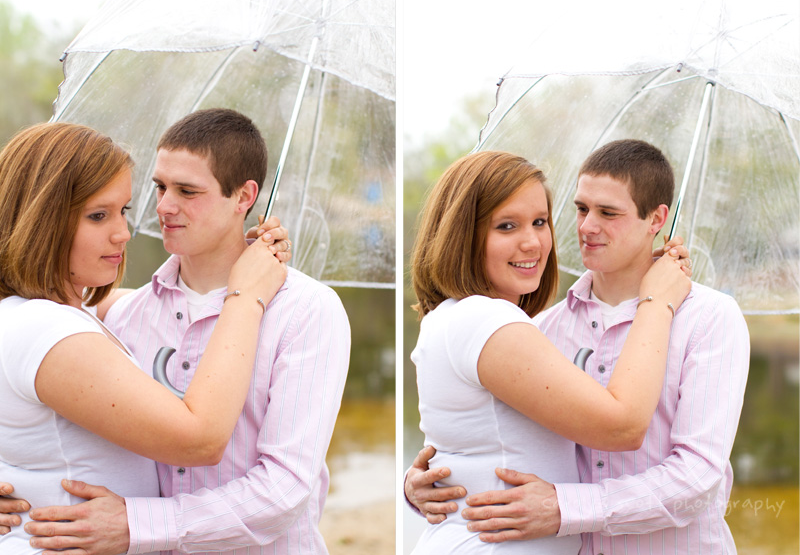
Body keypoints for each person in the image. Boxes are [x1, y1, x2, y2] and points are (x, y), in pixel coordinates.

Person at [1, 109, 351, 554]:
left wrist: (139, 524)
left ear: (244, 196)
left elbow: (284, 488)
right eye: (160, 187)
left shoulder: (304, 310)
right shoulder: (126, 317)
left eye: (187, 191)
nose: (164, 207)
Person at [406, 140, 750, 554]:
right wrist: (420, 486)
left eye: (608, 213)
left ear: (656, 218)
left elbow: (697, 477)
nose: (587, 226)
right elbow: (480, 437)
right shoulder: (539, 329)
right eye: (581, 209)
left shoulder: (709, 318)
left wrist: (564, 507)